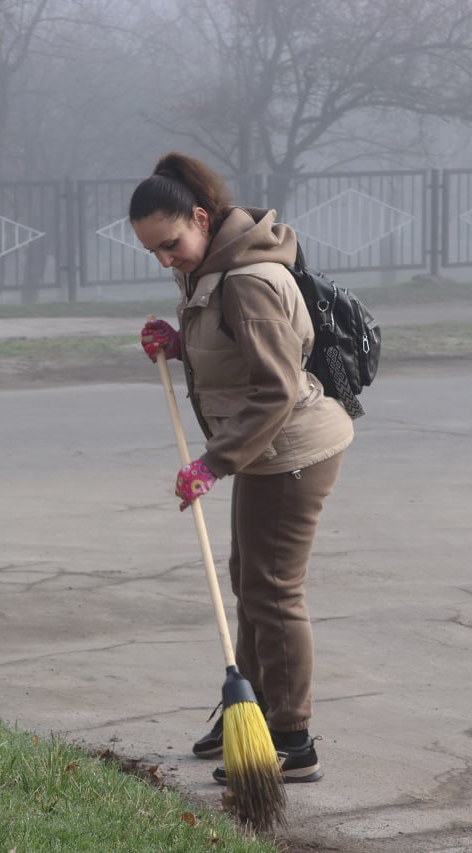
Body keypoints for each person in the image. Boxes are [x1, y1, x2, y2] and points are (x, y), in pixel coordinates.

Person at [130, 152, 354, 784]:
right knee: (250, 582)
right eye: (153, 252)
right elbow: (235, 350)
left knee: (273, 591)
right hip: (264, 450)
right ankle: (245, 714)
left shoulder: (247, 279)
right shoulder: (213, 268)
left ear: (201, 219)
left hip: (291, 452)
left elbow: (276, 388)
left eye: (170, 244)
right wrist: (178, 345)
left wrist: (211, 463)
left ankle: (290, 740)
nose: (165, 260)